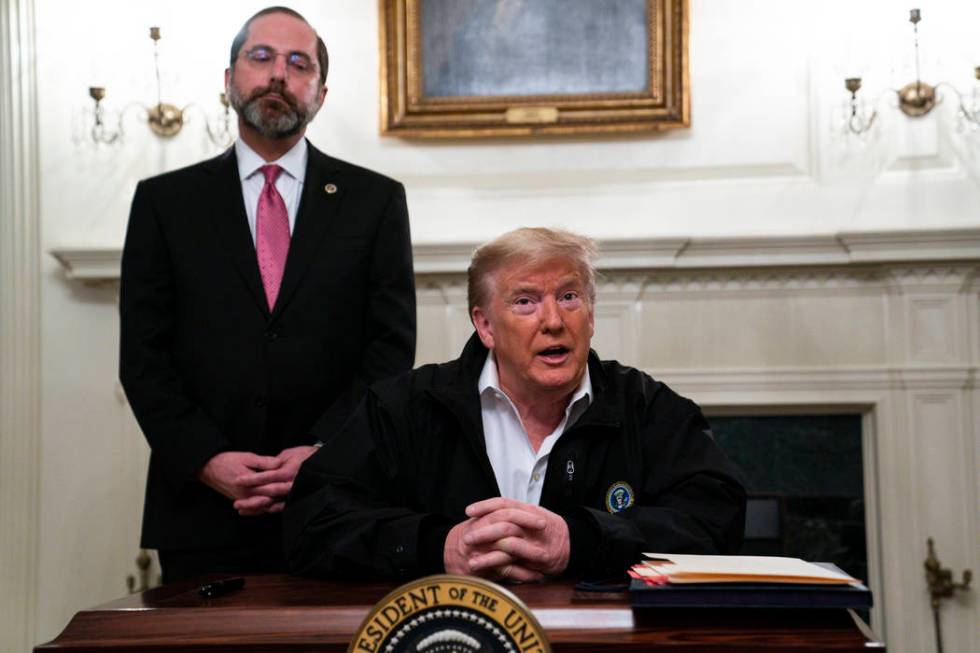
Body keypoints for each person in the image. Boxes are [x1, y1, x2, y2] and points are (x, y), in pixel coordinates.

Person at [119, 6, 415, 583]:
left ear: (321, 94)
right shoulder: (165, 203)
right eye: (261, 58)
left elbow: (389, 354)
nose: (279, 74)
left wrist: (323, 451)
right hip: (201, 512)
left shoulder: (374, 201)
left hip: (338, 503)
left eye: (298, 63)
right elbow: (144, 359)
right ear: (228, 79)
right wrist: (208, 459)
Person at [284, 228, 744, 582]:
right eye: (525, 302)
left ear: (591, 314)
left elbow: (717, 519)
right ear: (484, 326)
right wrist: (438, 548)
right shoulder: (404, 406)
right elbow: (314, 521)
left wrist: (579, 541)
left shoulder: (647, 406)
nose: (553, 321)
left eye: (569, 297)